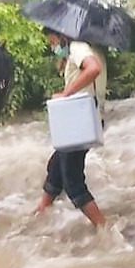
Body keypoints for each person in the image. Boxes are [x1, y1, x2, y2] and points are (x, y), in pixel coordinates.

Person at [34, 29, 107, 227]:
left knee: (72, 180)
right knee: (56, 165)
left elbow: (93, 68)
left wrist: (66, 93)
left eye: (52, 41)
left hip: (80, 120)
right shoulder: (83, 48)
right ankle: (43, 210)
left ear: (62, 36)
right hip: (81, 117)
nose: (52, 47)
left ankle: (104, 228)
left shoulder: (78, 47)